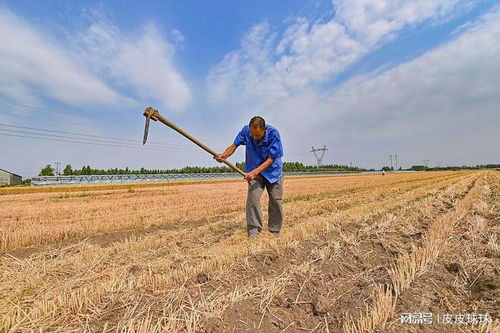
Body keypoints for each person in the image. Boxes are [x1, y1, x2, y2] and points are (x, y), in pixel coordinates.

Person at [214, 116, 284, 239]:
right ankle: (254, 229)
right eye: (253, 135)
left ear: (265, 129)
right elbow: (234, 145)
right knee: (253, 199)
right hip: (254, 169)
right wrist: (224, 155)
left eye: (258, 135)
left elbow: (271, 159)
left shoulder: (274, 133)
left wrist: (254, 172)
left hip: (272, 171)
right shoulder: (246, 131)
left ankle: (275, 230)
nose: (255, 138)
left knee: (275, 200)